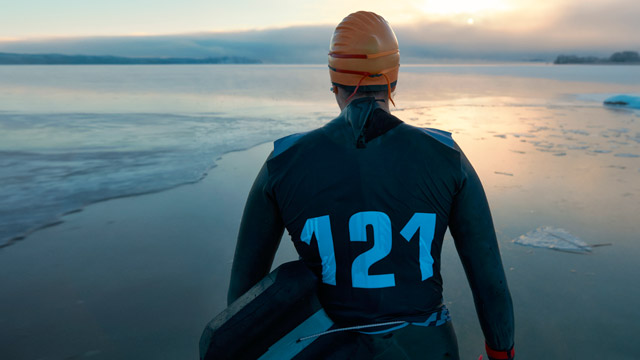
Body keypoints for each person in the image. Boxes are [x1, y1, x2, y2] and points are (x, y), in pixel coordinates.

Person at [227, 11, 514, 360]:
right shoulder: (445, 156)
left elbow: (243, 302)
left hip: (327, 349)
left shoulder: (282, 163)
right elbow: (490, 284)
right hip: (427, 348)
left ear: (333, 79)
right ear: (393, 78)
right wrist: (501, 355)